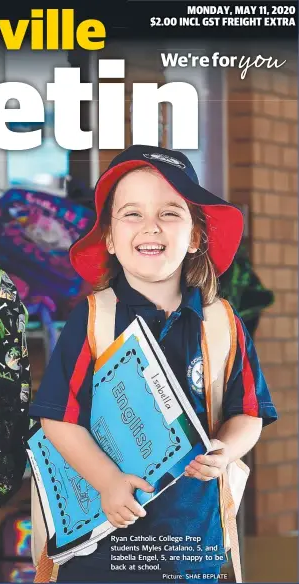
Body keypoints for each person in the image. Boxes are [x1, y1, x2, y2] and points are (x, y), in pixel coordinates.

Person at [29, 145, 278, 583]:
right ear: (108, 235)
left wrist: (227, 450)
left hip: (191, 546)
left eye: (170, 213)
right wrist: (107, 481)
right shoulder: (91, 320)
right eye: (132, 214)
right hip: (104, 543)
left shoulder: (222, 323)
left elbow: (250, 413)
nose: (151, 226)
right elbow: (58, 420)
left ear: (197, 235)